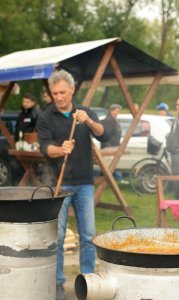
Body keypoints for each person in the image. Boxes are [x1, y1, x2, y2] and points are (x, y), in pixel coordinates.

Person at [36, 69, 108, 300]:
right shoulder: (46, 117)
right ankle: (58, 283)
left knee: (88, 236)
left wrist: (90, 122)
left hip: (85, 183)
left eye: (62, 92)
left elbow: (103, 134)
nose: (58, 97)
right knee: (56, 237)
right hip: (60, 188)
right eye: (55, 93)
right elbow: (45, 147)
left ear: (72, 90)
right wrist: (60, 150)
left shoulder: (84, 113)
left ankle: (86, 282)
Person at [101, 104, 123, 181]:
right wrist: (108, 146)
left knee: (114, 163)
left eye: (119, 111)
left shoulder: (114, 120)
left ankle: (116, 179)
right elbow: (105, 134)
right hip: (109, 147)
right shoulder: (108, 121)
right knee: (112, 164)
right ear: (111, 111)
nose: (118, 113)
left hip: (115, 146)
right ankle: (118, 179)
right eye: (117, 111)